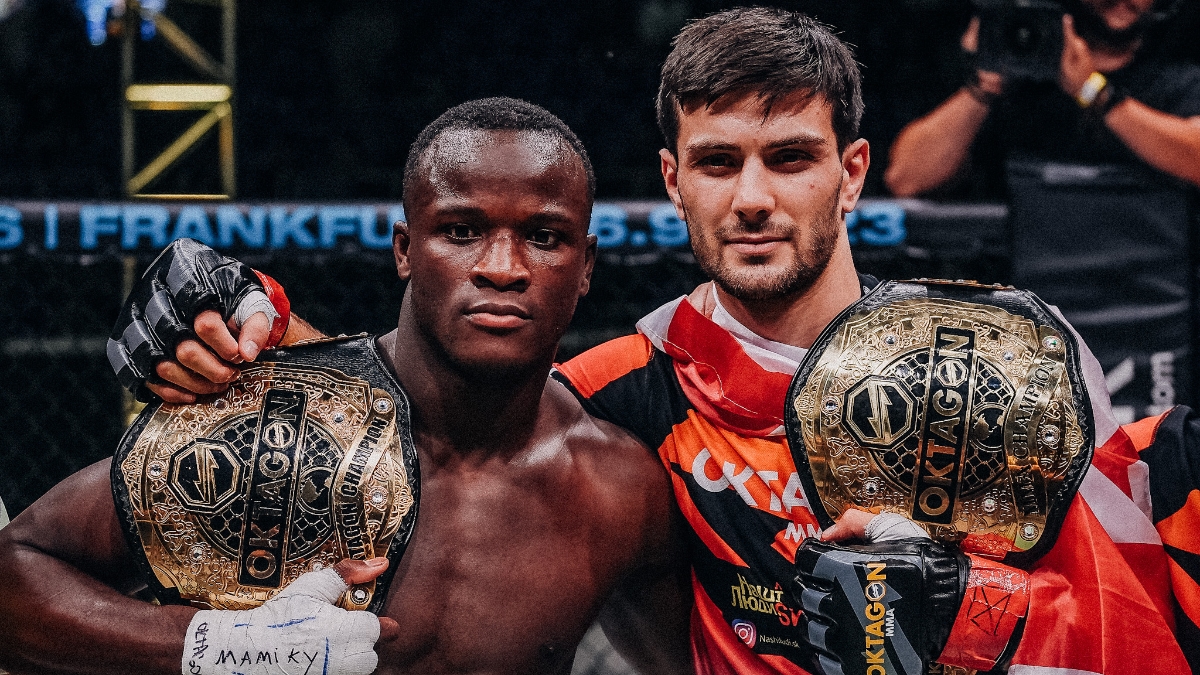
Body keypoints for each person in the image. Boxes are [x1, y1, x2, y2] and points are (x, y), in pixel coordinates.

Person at [98, 8, 1194, 675]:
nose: (753, 197)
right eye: (719, 162)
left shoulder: (991, 367)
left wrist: (981, 622)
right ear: (674, 181)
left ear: (852, 172)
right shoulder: (630, 390)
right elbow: (414, 409)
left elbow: (1140, 618)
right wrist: (240, 317)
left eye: (790, 158)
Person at [0, 98, 693, 675]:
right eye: (461, 230)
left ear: (586, 265)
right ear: (405, 249)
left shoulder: (617, 492)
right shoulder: (273, 426)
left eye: (544, 237)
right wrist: (213, 645)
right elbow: (13, 575)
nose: (503, 267)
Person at [884, 0, 1200, 196]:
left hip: (1150, 276)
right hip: (1019, 274)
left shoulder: (1180, 77)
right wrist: (984, 83)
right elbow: (905, 179)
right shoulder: (1015, 83)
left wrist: (1093, 91)